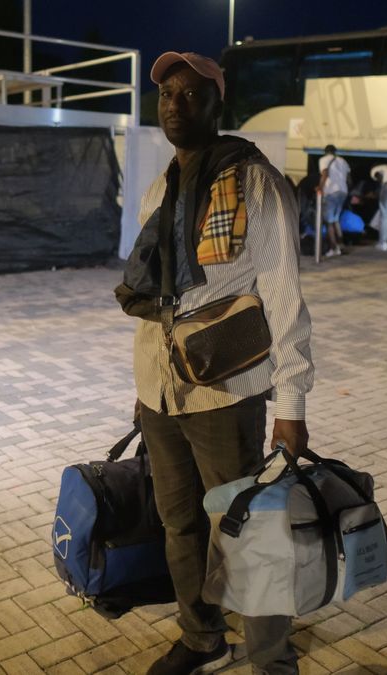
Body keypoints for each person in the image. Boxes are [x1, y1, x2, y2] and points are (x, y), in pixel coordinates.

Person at [115, 51, 314, 675]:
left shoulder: (255, 182)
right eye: (166, 94)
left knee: (248, 532)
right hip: (162, 392)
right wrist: (145, 391)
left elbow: (282, 293)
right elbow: (155, 297)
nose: (175, 104)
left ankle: (272, 660)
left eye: (190, 94)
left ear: (216, 105)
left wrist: (292, 404)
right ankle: (203, 640)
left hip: (226, 394)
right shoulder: (160, 185)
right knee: (179, 525)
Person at [317, 144, 350, 256]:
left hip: (331, 192)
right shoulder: (343, 161)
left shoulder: (323, 160)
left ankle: (333, 248)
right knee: (336, 220)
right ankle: (341, 246)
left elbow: (325, 173)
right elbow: (349, 178)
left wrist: (320, 187)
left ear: (325, 152)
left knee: (329, 222)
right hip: (343, 192)